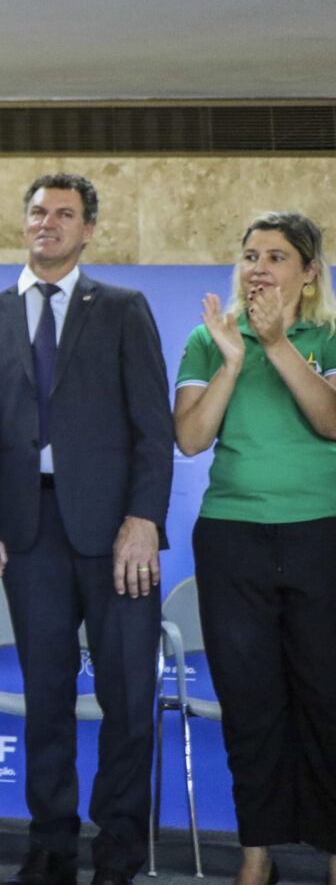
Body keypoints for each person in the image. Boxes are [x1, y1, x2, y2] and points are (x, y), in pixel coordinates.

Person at [0, 173, 173, 885]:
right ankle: (50, 846)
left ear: (88, 230)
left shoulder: (122, 307)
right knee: (45, 701)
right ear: (24, 224)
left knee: (129, 704)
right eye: (37, 211)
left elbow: (153, 425)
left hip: (118, 533)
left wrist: (144, 520)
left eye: (64, 214)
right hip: (29, 533)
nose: (47, 222)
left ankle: (118, 854)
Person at [172, 212, 336, 885]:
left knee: (327, 699)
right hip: (231, 537)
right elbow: (189, 439)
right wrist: (235, 358)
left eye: (275, 255)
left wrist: (277, 347)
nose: (259, 267)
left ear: (308, 272)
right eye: (248, 255)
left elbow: (330, 422)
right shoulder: (207, 339)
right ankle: (256, 854)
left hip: (319, 533)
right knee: (250, 701)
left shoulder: (327, 334)